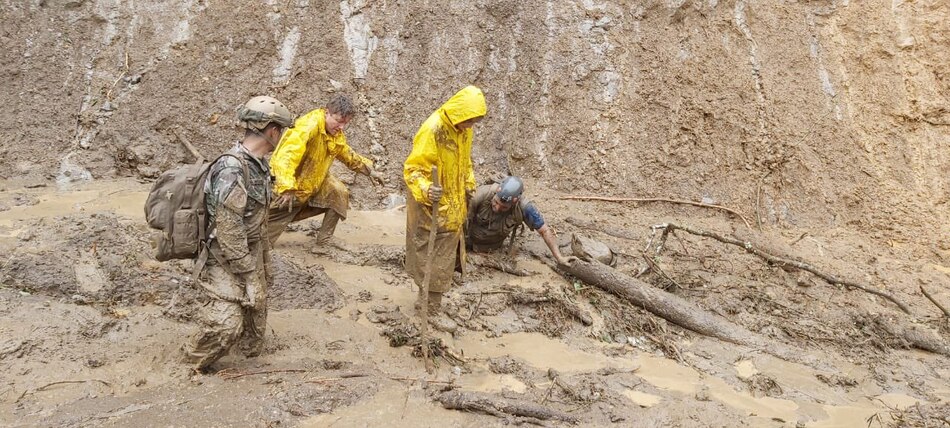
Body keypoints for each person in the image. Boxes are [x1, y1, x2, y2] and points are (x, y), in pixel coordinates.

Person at [183, 96, 295, 372]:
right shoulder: (232, 169)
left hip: (252, 250)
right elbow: (230, 230)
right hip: (223, 258)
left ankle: (245, 366)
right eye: (281, 131)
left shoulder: (259, 164)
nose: (281, 137)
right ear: (272, 131)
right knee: (226, 325)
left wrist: (264, 265)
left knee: (255, 329)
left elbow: (256, 219)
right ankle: (192, 361)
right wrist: (249, 277)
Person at [404, 85, 486, 328]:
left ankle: (431, 305)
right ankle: (427, 308)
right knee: (428, 254)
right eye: (469, 121)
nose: (471, 126)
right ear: (460, 114)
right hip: (429, 204)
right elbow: (413, 169)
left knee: (446, 257)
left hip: (452, 202)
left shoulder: (463, 131)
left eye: (474, 122)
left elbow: (465, 162)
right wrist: (427, 189)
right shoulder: (433, 129)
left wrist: (469, 183)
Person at [266, 95, 384, 247]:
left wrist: (369, 170)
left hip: (314, 180)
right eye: (339, 121)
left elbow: (345, 151)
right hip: (290, 186)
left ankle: (324, 239)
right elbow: (286, 157)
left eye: (346, 123)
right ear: (327, 112)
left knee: (338, 191)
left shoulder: (334, 132)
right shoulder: (307, 127)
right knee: (265, 234)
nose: (342, 127)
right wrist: (287, 187)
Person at [466, 176, 576, 265]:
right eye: (496, 202)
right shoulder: (480, 195)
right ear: (496, 193)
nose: (498, 208)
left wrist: (560, 258)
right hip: (468, 242)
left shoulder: (524, 207)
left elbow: (544, 231)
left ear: (514, 202)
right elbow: (459, 222)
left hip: (492, 249)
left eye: (504, 207)